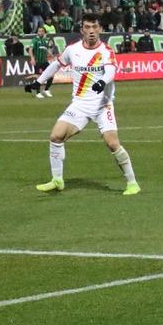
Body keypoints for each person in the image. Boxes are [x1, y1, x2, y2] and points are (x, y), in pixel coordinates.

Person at [27, 16, 140, 196]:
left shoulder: (106, 51)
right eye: (87, 27)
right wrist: (39, 81)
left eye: (95, 27)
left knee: (112, 144)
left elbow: (111, 70)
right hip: (79, 104)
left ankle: (132, 183)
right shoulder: (73, 50)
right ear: (82, 30)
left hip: (102, 105)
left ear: (100, 29)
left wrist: (102, 82)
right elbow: (56, 64)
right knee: (56, 136)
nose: (91, 31)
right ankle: (57, 180)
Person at [29, 26, 55, 98]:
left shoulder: (46, 40)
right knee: (38, 77)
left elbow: (47, 50)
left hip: (44, 61)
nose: (40, 32)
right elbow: (30, 50)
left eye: (42, 31)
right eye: (39, 31)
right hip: (37, 61)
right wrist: (32, 58)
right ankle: (38, 93)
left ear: (44, 32)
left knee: (51, 74)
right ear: (37, 32)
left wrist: (52, 56)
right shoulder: (35, 40)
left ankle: (46, 89)